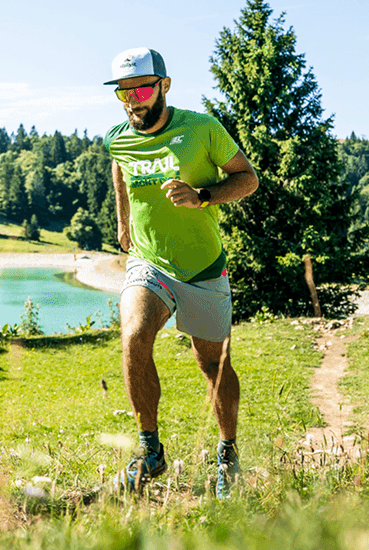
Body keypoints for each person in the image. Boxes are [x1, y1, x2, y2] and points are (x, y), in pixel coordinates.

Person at [102, 47, 259, 498]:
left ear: (164, 86)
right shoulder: (117, 138)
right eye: (124, 93)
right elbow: (120, 169)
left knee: (213, 364)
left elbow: (247, 178)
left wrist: (203, 196)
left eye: (142, 90)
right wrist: (123, 223)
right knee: (134, 335)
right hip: (149, 262)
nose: (133, 101)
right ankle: (150, 451)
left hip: (203, 266)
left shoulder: (202, 128)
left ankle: (227, 454)